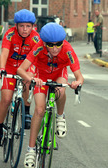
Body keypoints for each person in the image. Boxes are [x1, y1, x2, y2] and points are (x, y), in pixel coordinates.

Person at [17, 22, 84, 168]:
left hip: (59, 74)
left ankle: (60, 116)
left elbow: (79, 76)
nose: (55, 48)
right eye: (50, 45)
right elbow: (21, 70)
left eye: (58, 44)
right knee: (39, 110)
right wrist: (32, 78)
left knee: (60, 90)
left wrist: (76, 83)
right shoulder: (38, 47)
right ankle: (31, 150)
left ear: (63, 42)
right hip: (41, 77)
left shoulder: (67, 49)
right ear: (44, 42)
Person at [0, 9, 40, 150]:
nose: (25, 30)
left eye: (28, 26)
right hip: (10, 68)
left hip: (26, 67)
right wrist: (1, 68)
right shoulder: (10, 34)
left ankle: (26, 110)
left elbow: (36, 59)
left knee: (28, 80)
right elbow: (4, 53)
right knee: (6, 99)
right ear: (16, 25)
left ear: (33, 26)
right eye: (22, 26)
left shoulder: (36, 38)